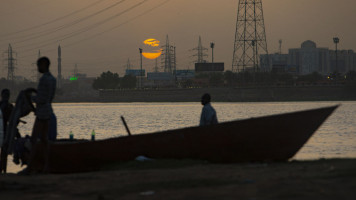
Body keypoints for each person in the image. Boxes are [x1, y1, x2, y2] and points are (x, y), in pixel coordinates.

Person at [26, 57, 56, 173]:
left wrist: (30, 97)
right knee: (44, 140)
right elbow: (50, 97)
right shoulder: (53, 79)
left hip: (42, 112)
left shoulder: (44, 79)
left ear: (44, 65)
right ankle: (46, 166)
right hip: (48, 110)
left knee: (34, 139)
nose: (38, 68)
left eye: (39, 65)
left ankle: (30, 167)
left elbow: (41, 98)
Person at [0, 89, 14, 173]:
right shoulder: (9, 106)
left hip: (5, 130)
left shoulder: (8, 106)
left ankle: (3, 169)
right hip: (5, 131)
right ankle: (3, 169)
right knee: (4, 152)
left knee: (4, 151)